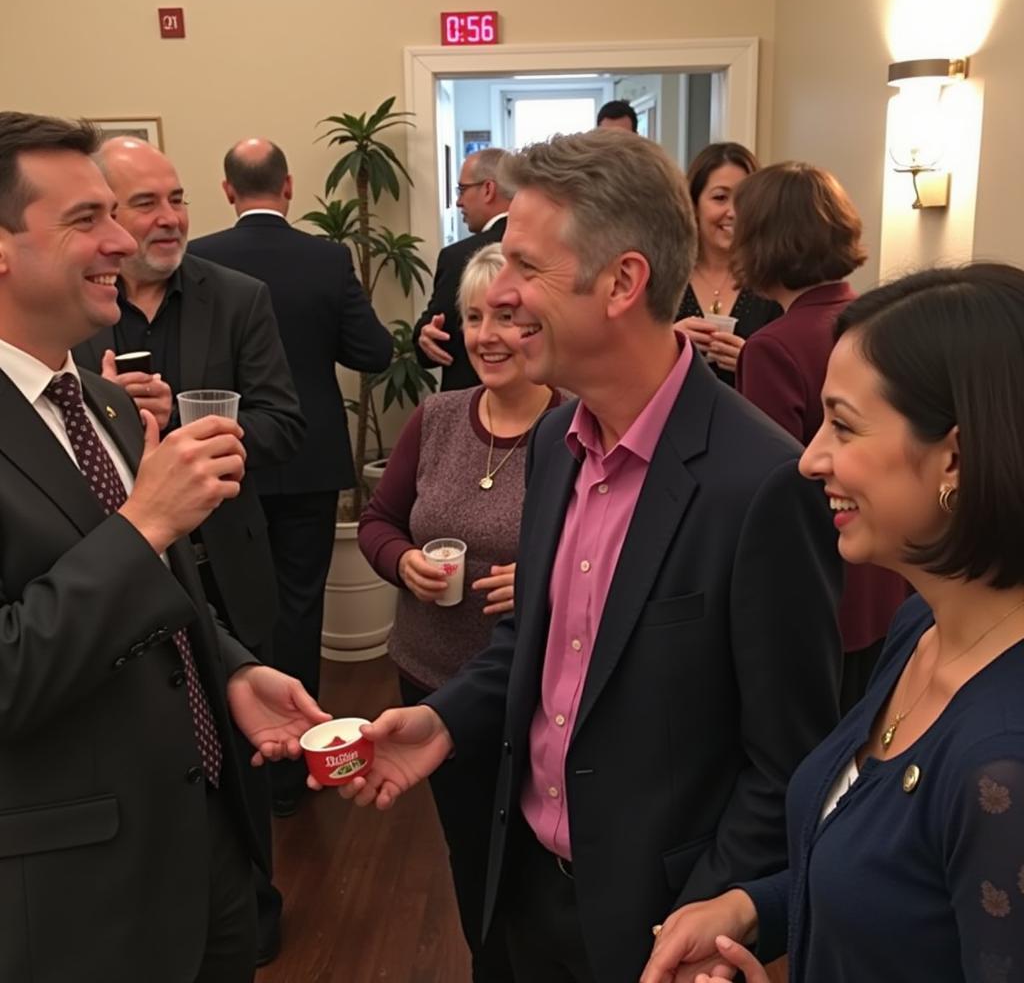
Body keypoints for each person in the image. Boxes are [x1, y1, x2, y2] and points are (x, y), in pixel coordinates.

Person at [327, 130, 843, 983]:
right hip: (520, 881)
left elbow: (786, 760)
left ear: (623, 282)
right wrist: (443, 720)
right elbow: (540, 641)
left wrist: (708, 920)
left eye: (526, 267)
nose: (504, 291)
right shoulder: (559, 447)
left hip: (655, 927)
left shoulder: (761, 486)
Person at [0, 110, 328, 983]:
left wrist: (227, 669)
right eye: (86, 220)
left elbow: (157, 595)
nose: (124, 240)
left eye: (123, 211)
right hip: (77, 896)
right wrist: (144, 524)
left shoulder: (106, 408)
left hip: (206, 848)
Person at [641, 264, 1024, 983]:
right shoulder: (921, 630)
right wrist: (751, 909)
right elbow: (891, 891)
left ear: (956, 457)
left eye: (842, 426)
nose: (812, 458)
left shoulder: (1003, 763)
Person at [74, 135, 305, 965]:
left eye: (177, 199)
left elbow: (285, 423)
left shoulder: (236, 295)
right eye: (146, 204)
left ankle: (255, 912)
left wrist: (201, 435)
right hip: (123, 594)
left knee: (245, 768)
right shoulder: (72, 317)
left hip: (229, 576)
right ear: (100, 217)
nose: (169, 219)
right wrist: (104, 415)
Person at [360, 242, 562, 981]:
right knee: (470, 846)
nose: (487, 336)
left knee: (541, 853)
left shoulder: (576, 428)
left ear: (543, 327)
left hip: (536, 684)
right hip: (432, 676)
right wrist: (399, 561)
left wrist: (542, 583)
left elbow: (611, 555)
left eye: (508, 318)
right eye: (475, 318)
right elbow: (379, 518)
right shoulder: (437, 415)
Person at [190, 137, 392, 823]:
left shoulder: (199, 261)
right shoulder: (327, 258)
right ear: (288, 187)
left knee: (231, 606)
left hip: (224, 464)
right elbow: (373, 351)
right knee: (300, 608)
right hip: (307, 460)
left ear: (226, 189)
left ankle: (244, 757)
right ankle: (300, 761)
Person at [732, 161, 907, 711]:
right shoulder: (885, 324)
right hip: (892, 583)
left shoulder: (774, 346)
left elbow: (768, 498)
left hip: (822, 592)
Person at [673, 142, 781, 387]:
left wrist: (754, 362)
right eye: (720, 198)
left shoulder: (774, 282)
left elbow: (799, 375)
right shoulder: (667, 276)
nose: (733, 212)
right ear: (694, 205)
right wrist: (669, 344)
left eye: (744, 199)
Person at [414, 148, 512, 390]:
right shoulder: (549, 248)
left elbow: (436, 344)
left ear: (488, 189)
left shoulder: (459, 258)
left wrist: (423, 335)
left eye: (462, 189)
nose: (458, 201)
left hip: (471, 406)